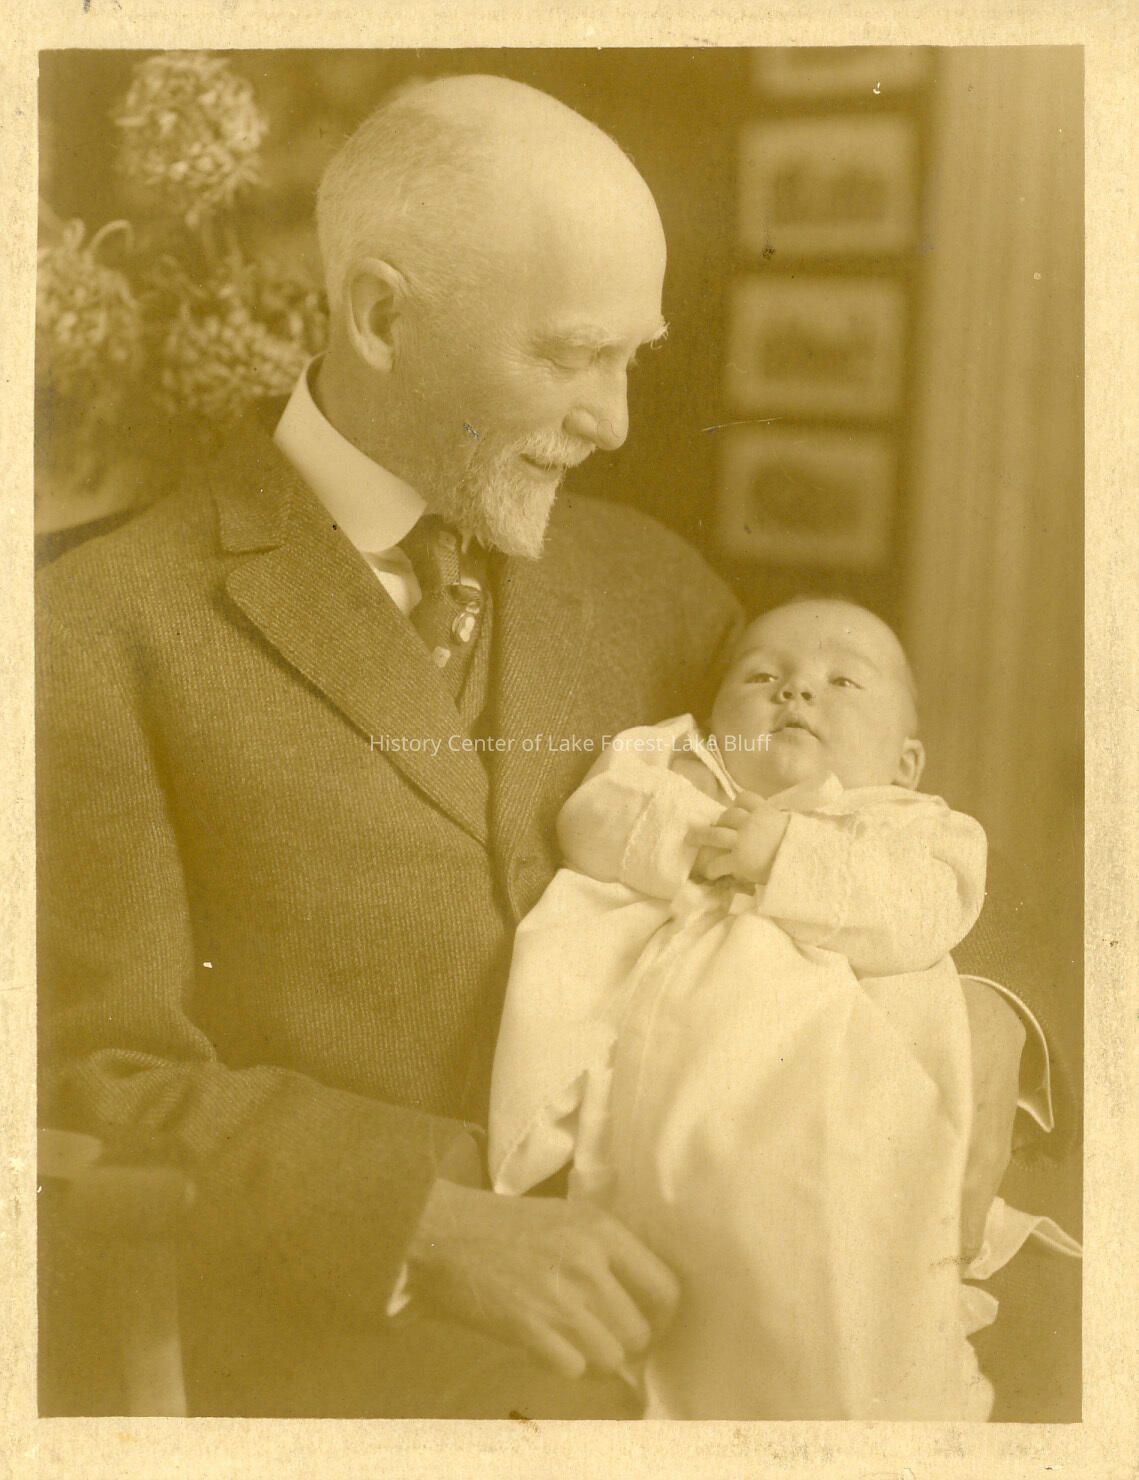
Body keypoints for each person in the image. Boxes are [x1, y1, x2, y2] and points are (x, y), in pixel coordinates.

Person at [36, 74, 1056, 1418]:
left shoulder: (654, 586)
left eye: (630, 356)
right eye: (572, 356)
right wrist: (426, 1223)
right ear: (381, 316)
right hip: (355, 1360)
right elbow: (83, 1077)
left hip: (740, 1287)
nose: (613, 420)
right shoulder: (91, 626)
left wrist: (990, 1018)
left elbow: (857, 809)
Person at [490, 599, 1081, 1419]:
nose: (795, 692)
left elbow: (928, 912)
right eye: (761, 676)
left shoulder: (916, 825)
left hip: (851, 1088)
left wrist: (784, 857)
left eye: (843, 682)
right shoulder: (675, 763)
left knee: (856, 1247)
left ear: (906, 763)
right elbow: (591, 819)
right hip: (688, 1064)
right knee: (698, 1213)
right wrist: (697, 829)